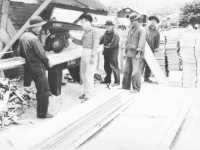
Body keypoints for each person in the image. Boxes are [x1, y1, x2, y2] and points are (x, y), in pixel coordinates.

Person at [19, 16, 53, 118]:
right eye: (40, 26)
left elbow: (21, 53)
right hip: (38, 68)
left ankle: (43, 106)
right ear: (35, 27)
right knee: (44, 90)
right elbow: (41, 54)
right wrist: (48, 63)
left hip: (29, 67)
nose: (40, 28)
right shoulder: (34, 39)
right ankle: (42, 113)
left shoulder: (23, 36)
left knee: (40, 88)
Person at [69, 14, 100, 102]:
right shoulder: (86, 32)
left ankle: (89, 96)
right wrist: (72, 38)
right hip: (84, 52)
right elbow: (81, 42)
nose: (81, 24)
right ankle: (86, 92)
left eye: (82, 22)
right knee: (83, 74)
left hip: (90, 53)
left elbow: (96, 44)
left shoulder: (95, 31)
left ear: (88, 22)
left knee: (89, 75)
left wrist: (93, 56)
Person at [119, 13, 146, 93]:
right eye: (131, 21)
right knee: (126, 70)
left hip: (136, 53)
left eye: (133, 21)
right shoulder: (131, 29)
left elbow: (141, 42)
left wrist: (138, 53)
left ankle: (136, 88)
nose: (131, 22)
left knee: (136, 72)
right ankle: (125, 86)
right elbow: (127, 41)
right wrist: (125, 52)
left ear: (137, 20)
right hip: (129, 53)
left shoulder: (141, 30)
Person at [99, 20, 120, 86]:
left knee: (114, 67)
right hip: (106, 53)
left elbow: (112, 45)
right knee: (107, 67)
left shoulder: (115, 34)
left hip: (113, 54)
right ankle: (107, 80)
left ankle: (117, 82)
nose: (107, 27)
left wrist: (102, 48)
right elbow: (101, 40)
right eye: (106, 25)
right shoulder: (106, 32)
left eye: (109, 25)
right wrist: (96, 43)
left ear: (112, 26)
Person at [141, 16, 160, 83]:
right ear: (150, 21)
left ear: (156, 23)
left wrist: (155, 51)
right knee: (141, 64)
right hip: (143, 49)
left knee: (149, 65)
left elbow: (157, 42)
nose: (153, 22)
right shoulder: (144, 29)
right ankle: (138, 77)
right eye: (152, 20)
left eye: (155, 21)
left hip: (151, 50)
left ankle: (146, 78)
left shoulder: (157, 32)